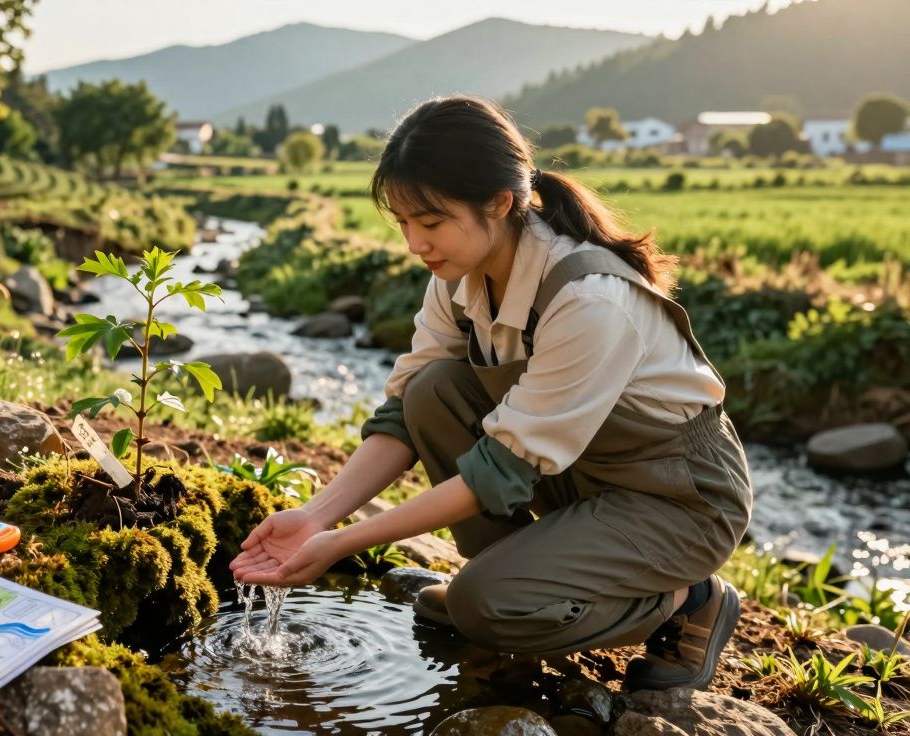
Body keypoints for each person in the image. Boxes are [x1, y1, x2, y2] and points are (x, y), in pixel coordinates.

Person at [229, 96, 752, 692]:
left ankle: (688, 601)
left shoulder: (590, 300)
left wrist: (341, 543)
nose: (414, 244)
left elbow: (499, 470)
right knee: (432, 391)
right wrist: (317, 515)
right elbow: (403, 415)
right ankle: (510, 578)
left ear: (500, 203)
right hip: (579, 474)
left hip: (675, 499)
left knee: (484, 607)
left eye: (430, 223)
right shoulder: (457, 280)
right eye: (402, 223)